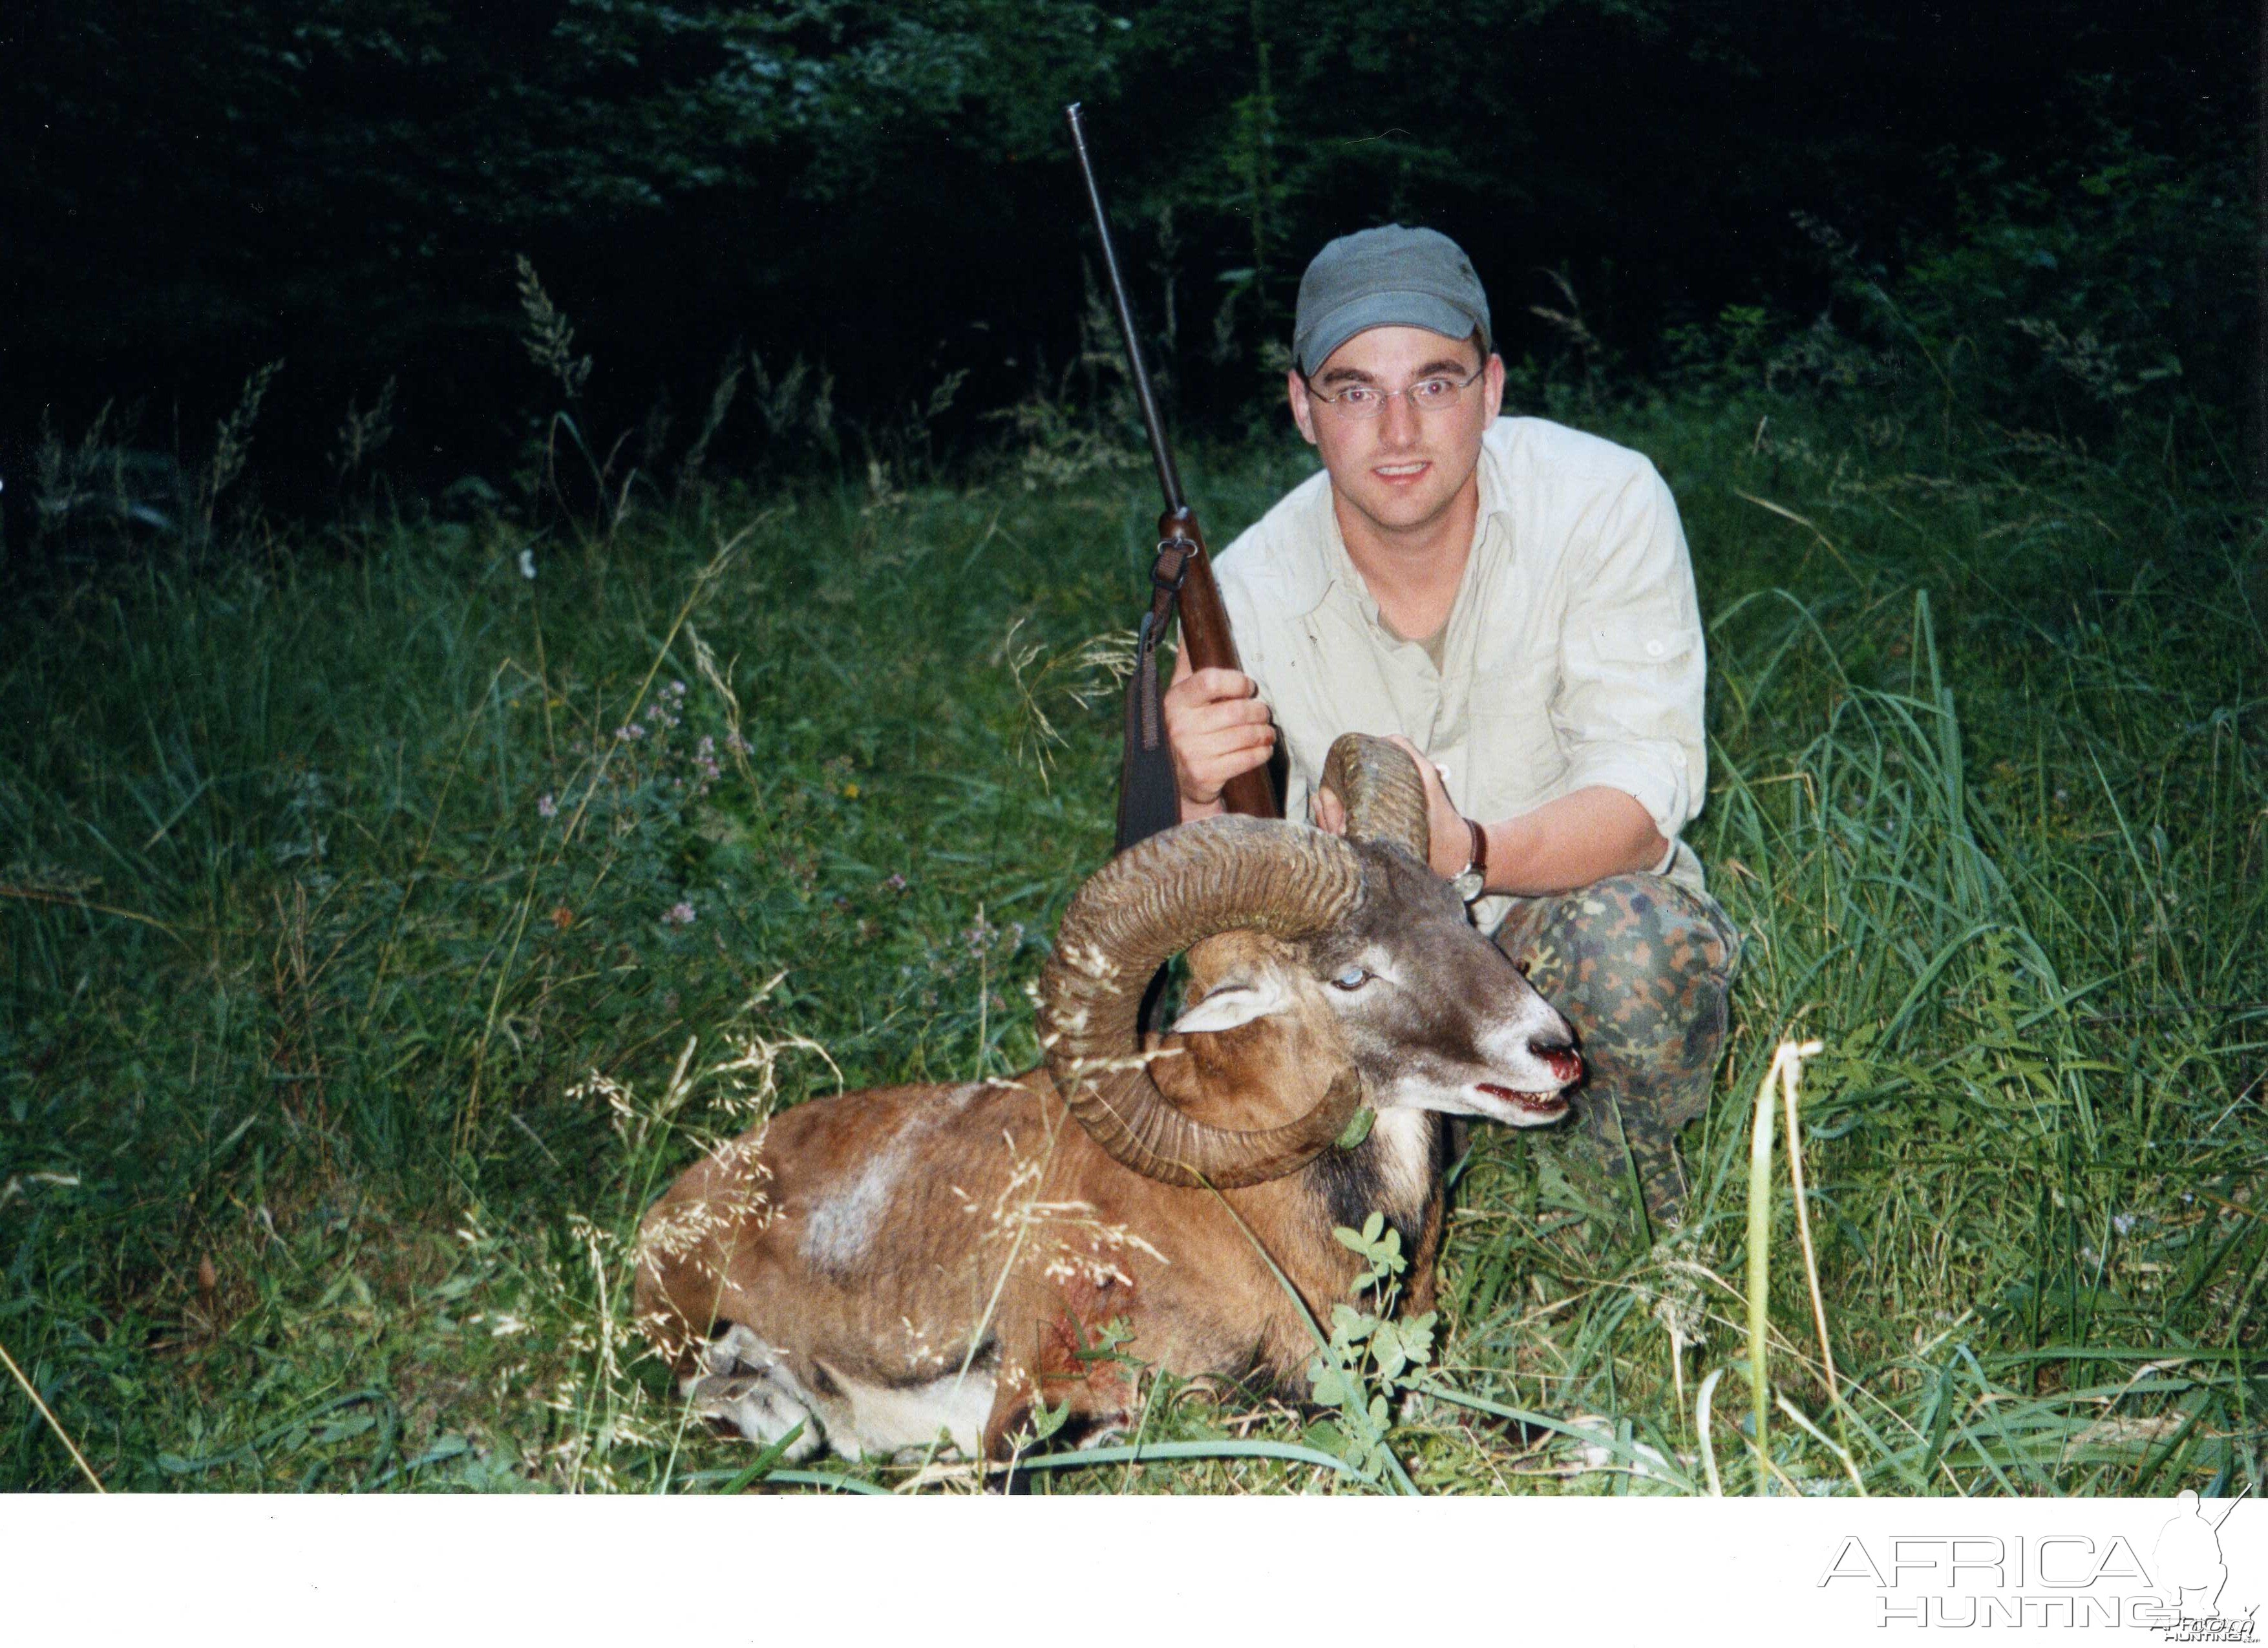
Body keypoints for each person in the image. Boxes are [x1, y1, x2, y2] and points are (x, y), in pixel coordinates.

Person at [1161, 224, 1739, 1226]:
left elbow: (1643, 813)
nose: (1396, 430)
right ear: (1302, 406)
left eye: (1434, 383)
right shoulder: (1240, 597)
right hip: (1369, 994)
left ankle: (1611, 1203)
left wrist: (1462, 851)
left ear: (1492, 388)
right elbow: (1217, 926)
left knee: (1641, 950)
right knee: (1225, 1052)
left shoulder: (1605, 504)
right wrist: (1196, 790)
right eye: (1353, 389)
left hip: (1551, 935)